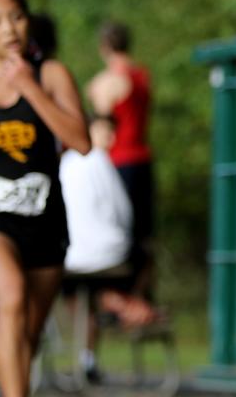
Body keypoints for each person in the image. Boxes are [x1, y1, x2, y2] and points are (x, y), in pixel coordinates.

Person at [0, 0, 91, 397]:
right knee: (11, 294)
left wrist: (30, 87)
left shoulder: (52, 75)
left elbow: (81, 142)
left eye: (17, 17)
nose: (9, 29)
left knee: (28, 336)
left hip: (44, 218)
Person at [59, 115, 156, 383]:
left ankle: (85, 353)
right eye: (105, 132)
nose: (111, 139)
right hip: (107, 256)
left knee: (80, 297)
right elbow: (122, 211)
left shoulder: (64, 164)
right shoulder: (99, 161)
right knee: (144, 256)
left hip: (71, 259)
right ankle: (130, 305)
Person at [87, 21, 155, 299]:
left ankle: (117, 298)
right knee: (143, 233)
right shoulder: (142, 76)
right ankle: (140, 295)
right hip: (142, 158)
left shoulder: (106, 82)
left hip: (117, 162)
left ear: (104, 47)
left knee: (115, 230)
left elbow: (103, 131)